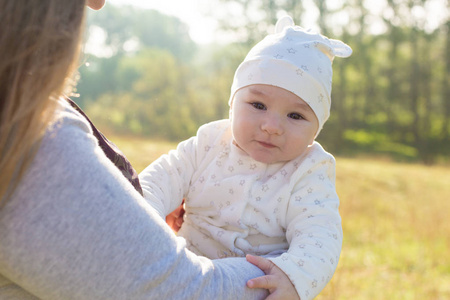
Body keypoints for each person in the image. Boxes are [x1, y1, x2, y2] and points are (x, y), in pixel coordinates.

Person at [0, 0, 270, 299]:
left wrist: (142, 222)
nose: (98, 3)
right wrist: (288, 268)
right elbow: (183, 292)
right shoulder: (28, 137)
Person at [139, 16, 352, 300]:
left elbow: (320, 236)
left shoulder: (309, 170)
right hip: (185, 267)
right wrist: (144, 218)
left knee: (256, 283)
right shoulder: (209, 142)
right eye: (258, 105)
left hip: (251, 283)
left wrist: (293, 275)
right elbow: (161, 179)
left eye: (295, 115)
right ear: (233, 104)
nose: (272, 126)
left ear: (317, 128)